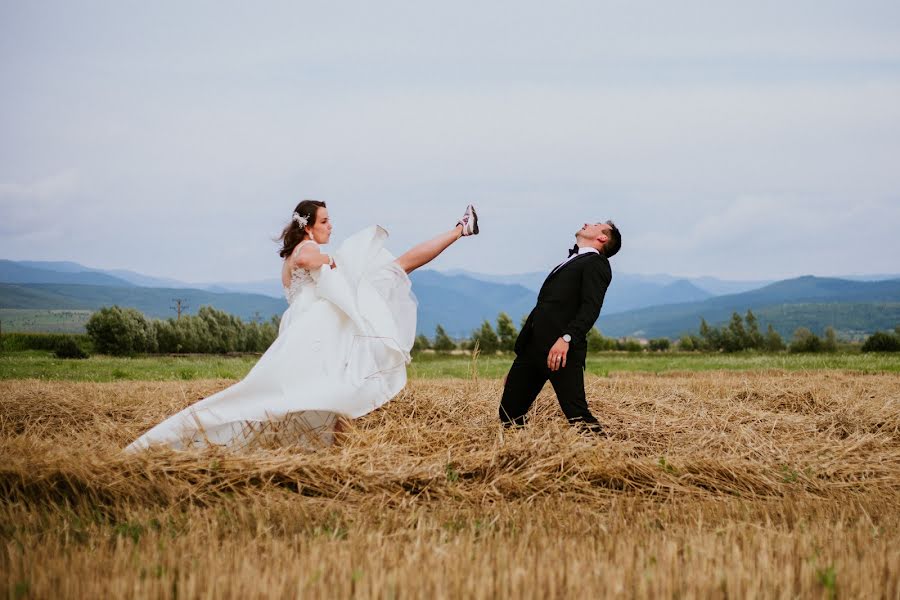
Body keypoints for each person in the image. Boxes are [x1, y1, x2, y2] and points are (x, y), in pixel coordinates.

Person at [126, 201, 479, 451]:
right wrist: (340, 262)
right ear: (308, 225)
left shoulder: (295, 253)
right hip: (316, 329)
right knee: (395, 270)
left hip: (311, 327)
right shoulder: (305, 250)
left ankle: (460, 230)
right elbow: (312, 260)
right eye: (325, 221)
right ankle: (460, 230)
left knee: (332, 389)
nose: (331, 226)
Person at [498, 220, 620, 435]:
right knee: (509, 413)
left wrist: (567, 338)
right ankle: (524, 459)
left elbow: (590, 308)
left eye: (595, 224)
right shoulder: (572, 260)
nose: (586, 223)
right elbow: (544, 308)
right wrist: (521, 356)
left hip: (561, 352)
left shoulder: (596, 263)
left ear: (603, 238)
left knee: (577, 415)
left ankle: (606, 458)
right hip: (532, 349)